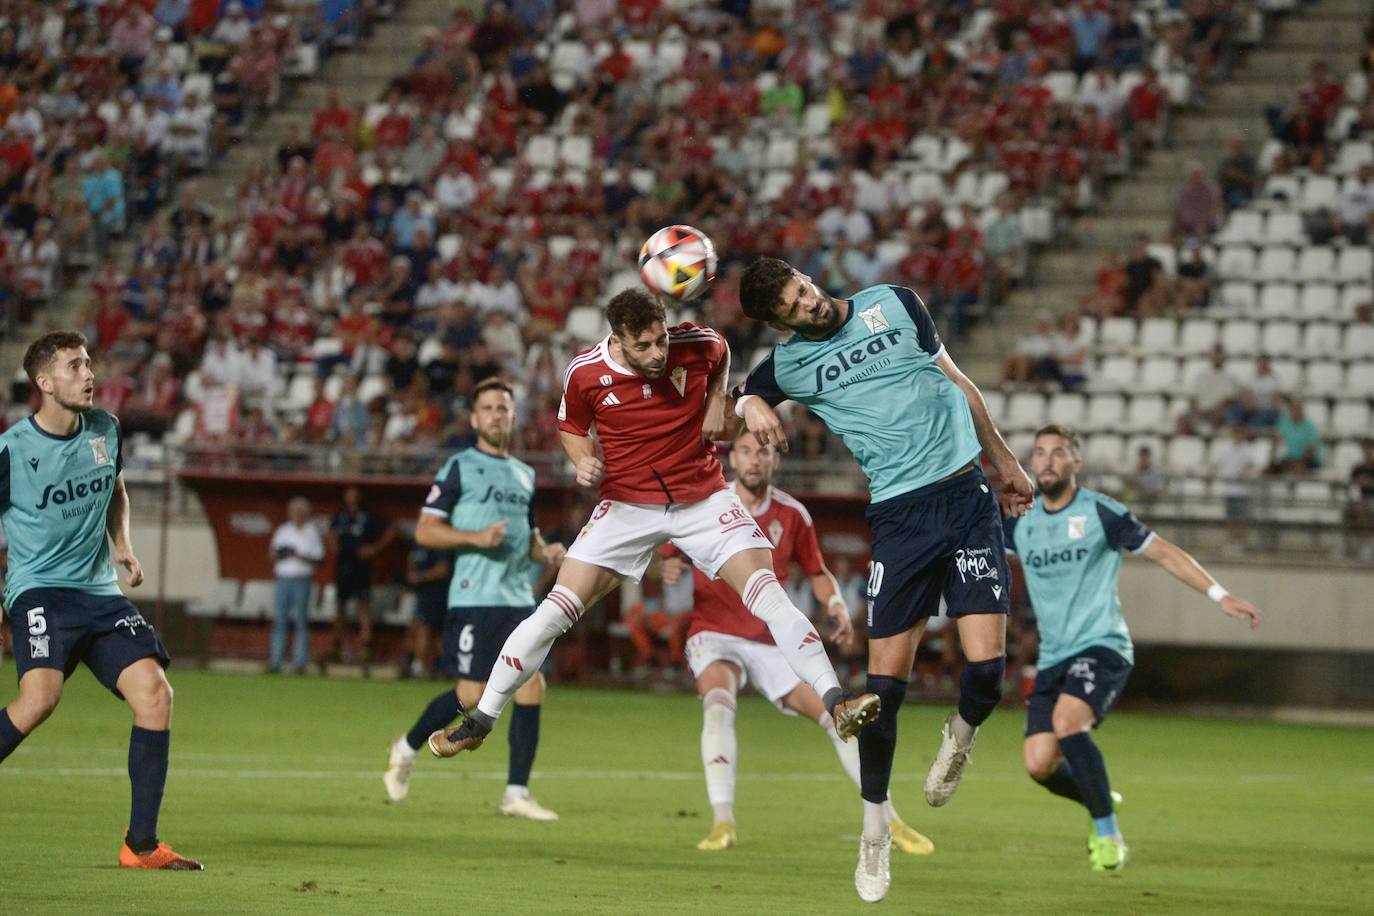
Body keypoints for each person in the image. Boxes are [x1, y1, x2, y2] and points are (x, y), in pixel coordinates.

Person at [428, 290, 878, 771]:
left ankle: (837, 701)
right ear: (617, 340)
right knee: (553, 613)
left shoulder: (698, 345)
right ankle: (480, 723)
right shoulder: (584, 372)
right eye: (643, 345)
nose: (657, 353)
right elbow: (572, 426)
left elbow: (721, 351)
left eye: (661, 339)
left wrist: (713, 401)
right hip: (626, 506)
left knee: (770, 596)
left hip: (703, 497)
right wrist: (582, 461)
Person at [730, 259, 1034, 903]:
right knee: (881, 697)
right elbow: (736, 392)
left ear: (807, 277)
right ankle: (875, 831)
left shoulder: (895, 303)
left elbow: (960, 385)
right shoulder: (786, 365)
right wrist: (753, 401)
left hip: (966, 498)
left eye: (803, 288)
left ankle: (960, 736)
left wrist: (1004, 461)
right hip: (899, 518)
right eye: (791, 307)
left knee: (985, 678)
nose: (808, 304)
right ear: (777, 322)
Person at [661, 431, 935, 856]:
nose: (754, 460)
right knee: (717, 705)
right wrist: (669, 566)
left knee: (840, 722)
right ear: (733, 457)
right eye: (747, 451)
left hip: (773, 639)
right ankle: (723, 822)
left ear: (775, 460)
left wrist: (836, 604)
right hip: (714, 632)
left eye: (763, 451)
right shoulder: (707, 502)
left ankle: (889, 820)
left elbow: (817, 569)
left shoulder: (793, 514)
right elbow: (666, 541)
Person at [1007, 425, 1261, 871]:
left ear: (1076, 463)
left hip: (1102, 646)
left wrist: (1220, 596)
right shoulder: (1022, 526)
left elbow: (1162, 552)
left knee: (1069, 724)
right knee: (1038, 764)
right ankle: (1103, 799)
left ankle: (1108, 834)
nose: (1047, 460)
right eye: (1040, 453)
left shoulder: (1100, 512)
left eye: (1058, 453)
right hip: (1054, 657)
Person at [0, 331, 201, 869]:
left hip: (98, 592)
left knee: (157, 697)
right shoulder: (12, 451)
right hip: (40, 589)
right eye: (73, 366)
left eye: (88, 363)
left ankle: (140, 846)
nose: (89, 374)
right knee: (40, 699)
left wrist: (123, 542)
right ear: (44, 382)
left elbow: (114, 488)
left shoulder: (107, 430)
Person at [383, 378, 568, 818]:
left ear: (513, 416)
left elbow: (529, 537)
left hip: (519, 597)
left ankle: (516, 793)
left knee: (532, 687)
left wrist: (546, 551)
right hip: (474, 596)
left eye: (503, 407)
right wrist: (475, 537)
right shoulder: (459, 467)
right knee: (471, 691)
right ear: (474, 418)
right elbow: (426, 529)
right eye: (488, 408)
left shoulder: (525, 474)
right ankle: (407, 747)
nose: (497, 415)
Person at [325, 485, 396, 669]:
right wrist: (335, 545)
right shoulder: (340, 515)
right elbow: (331, 533)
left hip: (362, 566)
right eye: (349, 495)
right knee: (340, 607)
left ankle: (365, 646)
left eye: (354, 495)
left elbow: (391, 531)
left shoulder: (369, 515)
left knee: (363, 607)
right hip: (343, 565)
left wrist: (375, 548)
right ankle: (336, 647)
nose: (352, 498)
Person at [268, 497, 324, 674]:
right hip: (283, 579)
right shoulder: (283, 530)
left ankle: (299, 663)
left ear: (305, 513)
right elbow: (272, 554)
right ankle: (275, 662)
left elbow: (318, 558)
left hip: (302, 580)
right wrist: (283, 553)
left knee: (301, 621)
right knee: (279, 621)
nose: (295, 515)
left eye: (299, 512)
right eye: (292, 511)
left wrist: (299, 555)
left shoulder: (311, 531)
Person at [399, 543, 452, 679]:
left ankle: (418, 665)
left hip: (437, 594)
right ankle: (443, 667)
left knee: (426, 629)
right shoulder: (418, 545)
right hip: (420, 593)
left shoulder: (441, 545)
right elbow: (411, 565)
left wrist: (420, 577)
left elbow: (443, 569)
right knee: (419, 629)